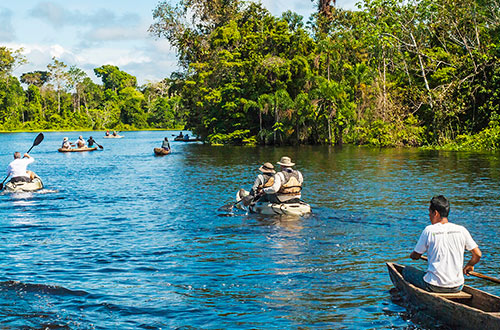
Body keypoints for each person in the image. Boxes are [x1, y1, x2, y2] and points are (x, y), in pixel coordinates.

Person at [403, 195, 482, 293]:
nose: (429, 215)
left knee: (406, 270)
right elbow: (478, 254)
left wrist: (413, 255)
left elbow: (416, 255)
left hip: (434, 286)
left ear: (435, 213)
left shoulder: (429, 230)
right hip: (457, 286)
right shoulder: (461, 230)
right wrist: (470, 265)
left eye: (429, 212)